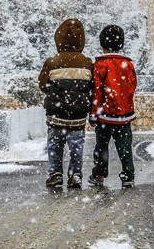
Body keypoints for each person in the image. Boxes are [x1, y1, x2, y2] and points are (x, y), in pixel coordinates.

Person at [38, 18, 93, 189]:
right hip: (78, 115)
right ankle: (75, 174)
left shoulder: (52, 62)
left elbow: (43, 84)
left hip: (56, 114)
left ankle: (55, 173)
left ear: (59, 38)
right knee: (76, 145)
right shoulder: (87, 62)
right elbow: (92, 85)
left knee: (55, 145)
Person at [88, 25, 137, 188]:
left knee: (102, 146)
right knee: (125, 146)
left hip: (104, 115)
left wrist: (94, 114)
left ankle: (100, 173)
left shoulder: (100, 65)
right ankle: (128, 174)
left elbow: (97, 92)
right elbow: (132, 87)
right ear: (121, 44)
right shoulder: (128, 65)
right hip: (124, 114)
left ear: (102, 44)